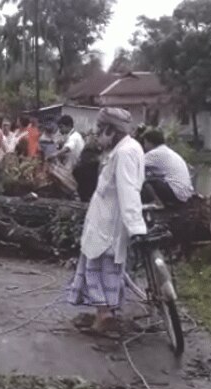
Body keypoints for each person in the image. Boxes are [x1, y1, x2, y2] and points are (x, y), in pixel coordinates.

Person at [68, 107, 147, 332]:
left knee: (96, 269)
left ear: (112, 130)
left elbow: (128, 191)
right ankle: (106, 313)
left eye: (101, 130)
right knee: (108, 270)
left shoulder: (124, 153)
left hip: (108, 225)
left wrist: (136, 228)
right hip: (104, 221)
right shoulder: (129, 148)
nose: (99, 135)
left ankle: (103, 315)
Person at [141, 128, 194, 207]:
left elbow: (135, 164)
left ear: (150, 142)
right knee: (152, 178)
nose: (144, 146)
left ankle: (157, 203)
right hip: (185, 194)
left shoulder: (155, 153)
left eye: (145, 142)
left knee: (144, 181)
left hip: (175, 193)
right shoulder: (167, 151)